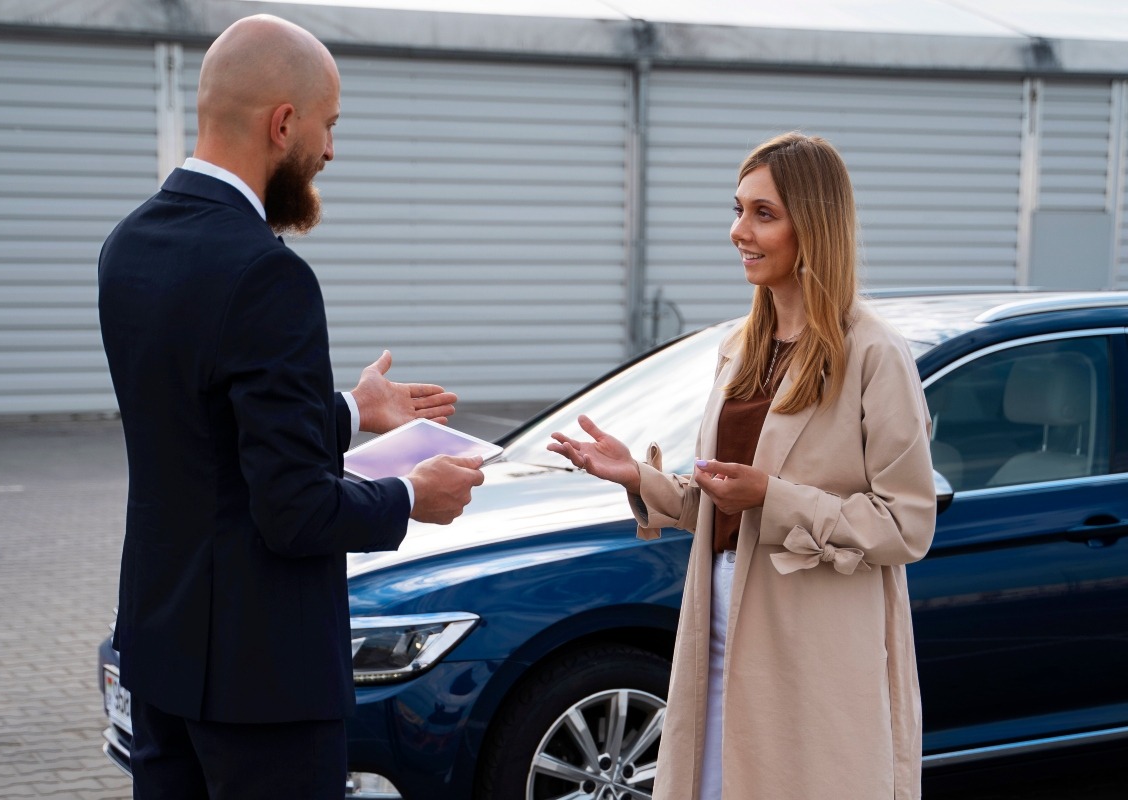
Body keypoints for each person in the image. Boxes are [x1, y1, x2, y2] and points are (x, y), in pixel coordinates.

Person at [97, 14, 486, 799]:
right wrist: (414, 496)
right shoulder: (268, 275)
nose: (331, 150)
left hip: (162, 652)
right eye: (328, 126)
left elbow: (206, 431)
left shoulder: (128, 244)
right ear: (283, 124)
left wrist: (347, 410)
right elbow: (294, 510)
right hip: (262, 685)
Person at [549, 132, 936, 800]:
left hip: (812, 646)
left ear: (812, 225)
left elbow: (906, 525)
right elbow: (727, 501)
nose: (739, 231)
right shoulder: (740, 347)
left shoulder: (873, 353)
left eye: (764, 213)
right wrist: (637, 478)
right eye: (737, 209)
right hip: (718, 632)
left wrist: (774, 497)